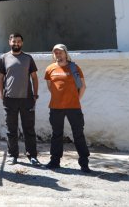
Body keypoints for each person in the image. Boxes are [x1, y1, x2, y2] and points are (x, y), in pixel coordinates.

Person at [44, 44, 91, 173]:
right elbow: (50, 87)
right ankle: (55, 161)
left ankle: (84, 163)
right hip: (55, 107)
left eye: (60, 52)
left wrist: (76, 99)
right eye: (56, 53)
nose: (58, 55)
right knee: (56, 135)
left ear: (65, 53)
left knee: (78, 134)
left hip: (73, 107)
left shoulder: (74, 67)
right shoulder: (49, 69)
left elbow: (82, 87)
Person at [0, 33, 41, 166]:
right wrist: (1, 93)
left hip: (27, 99)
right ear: (9, 42)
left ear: (22, 43)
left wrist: (35, 94)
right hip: (10, 99)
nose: (16, 43)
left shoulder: (28, 58)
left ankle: (32, 156)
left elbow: (34, 77)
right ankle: (12, 155)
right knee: (11, 129)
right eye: (13, 41)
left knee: (29, 128)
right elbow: (0, 77)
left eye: (18, 41)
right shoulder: (4, 58)